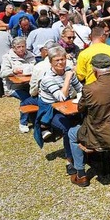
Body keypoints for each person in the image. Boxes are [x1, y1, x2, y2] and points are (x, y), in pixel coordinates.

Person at [67, 54, 110, 187]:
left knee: (71, 134)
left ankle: (81, 174)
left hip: (99, 135)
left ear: (94, 70)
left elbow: (80, 108)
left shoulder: (90, 88)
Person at [37, 46, 84, 175]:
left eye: (62, 59)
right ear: (50, 62)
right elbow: (61, 97)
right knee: (67, 129)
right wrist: (68, 78)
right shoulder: (47, 78)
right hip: (50, 109)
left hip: (66, 106)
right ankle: (69, 160)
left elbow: (80, 88)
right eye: (56, 60)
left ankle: (85, 151)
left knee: (85, 119)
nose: (60, 63)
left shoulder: (68, 71)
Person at [0, 37, 36, 132]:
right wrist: (13, 71)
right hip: (13, 86)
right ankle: (23, 123)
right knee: (26, 99)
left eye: (23, 46)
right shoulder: (7, 57)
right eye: (18, 47)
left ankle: (36, 119)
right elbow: (2, 73)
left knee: (38, 95)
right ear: (14, 48)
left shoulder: (30, 55)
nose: (21, 49)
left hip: (28, 84)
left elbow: (34, 67)